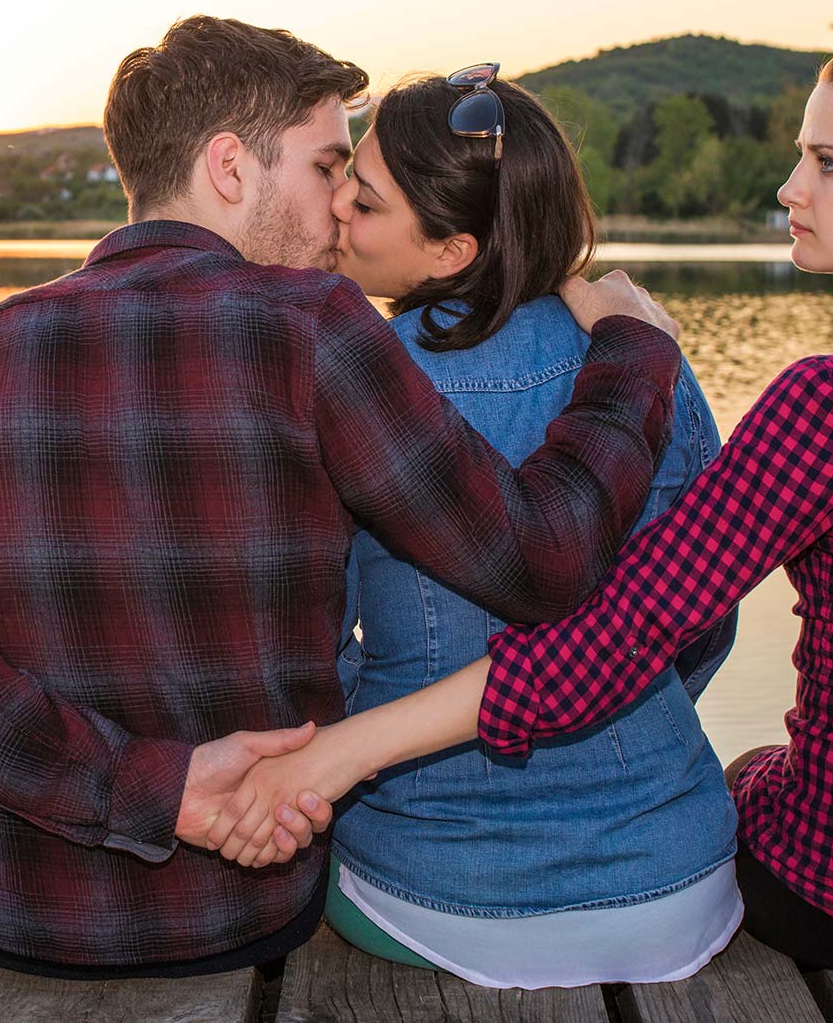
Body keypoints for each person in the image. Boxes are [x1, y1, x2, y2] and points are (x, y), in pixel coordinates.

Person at [219, 32, 833, 980]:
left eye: (827, 163)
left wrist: (327, 759)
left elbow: (605, 644)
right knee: (742, 776)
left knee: (755, 779)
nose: (791, 188)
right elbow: (698, 638)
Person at [0, 16, 685, 979]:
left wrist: (152, 791)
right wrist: (634, 354)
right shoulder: (313, 331)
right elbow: (541, 561)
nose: (341, 207)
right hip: (241, 908)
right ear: (229, 168)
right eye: (327, 166)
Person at [316, 66, 742, 989]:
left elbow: (314, 645)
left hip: (436, 888)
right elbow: (704, 619)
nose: (336, 206)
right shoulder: (641, 350)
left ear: (450, 250)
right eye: (347, 173)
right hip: (675, 877)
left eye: (366, 199)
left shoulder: (357, 379)